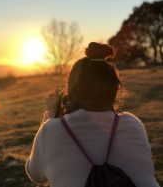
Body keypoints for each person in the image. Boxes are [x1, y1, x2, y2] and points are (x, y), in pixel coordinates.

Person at [25, 42, 159, 187]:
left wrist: (51, 117)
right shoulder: (133, 124)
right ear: (114, 90)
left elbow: (35, 174)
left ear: (72, 90)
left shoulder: (50, 130)